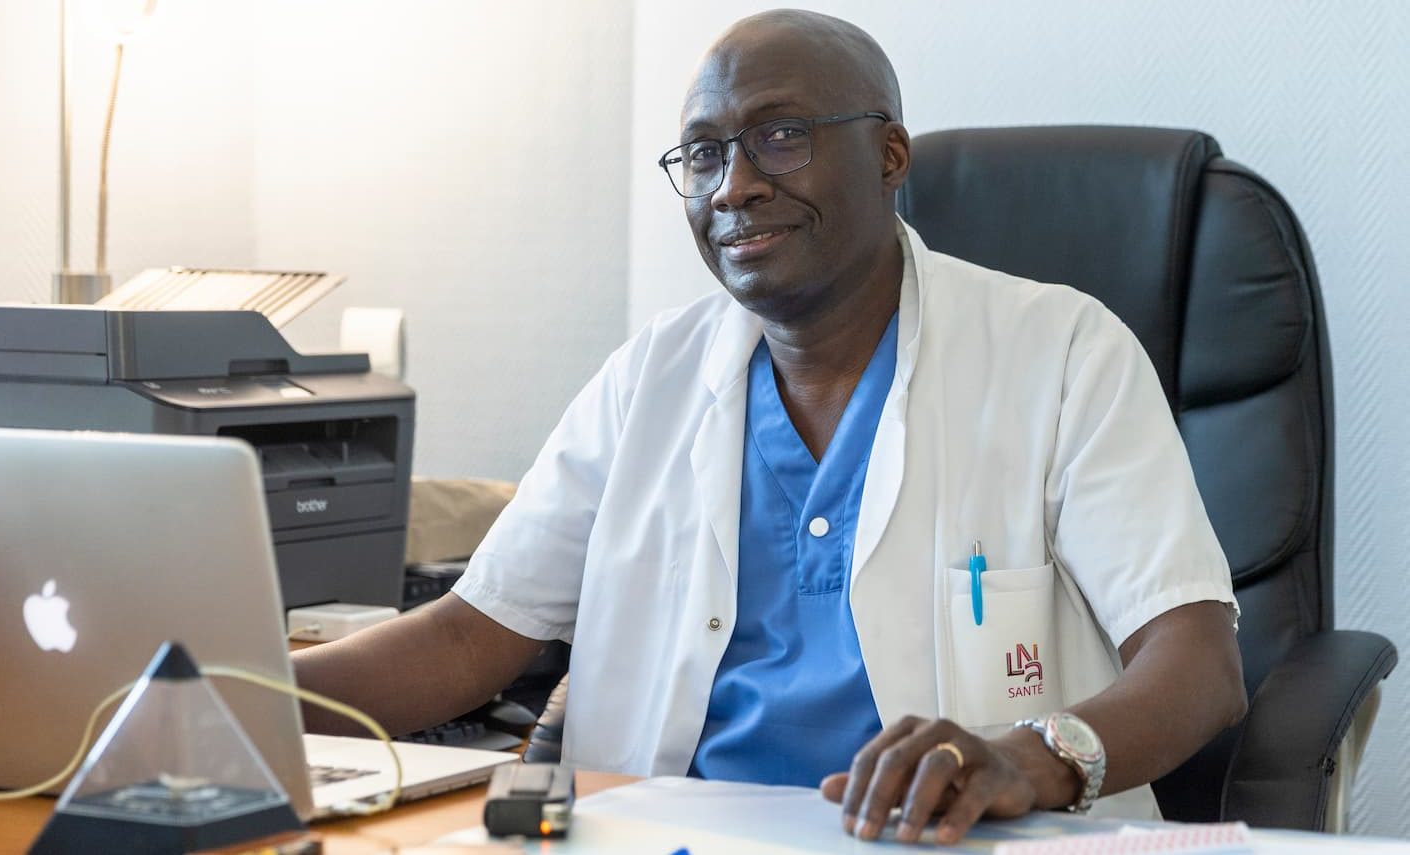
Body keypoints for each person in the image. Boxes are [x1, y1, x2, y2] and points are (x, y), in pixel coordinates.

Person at [292, 9, 1246, 844]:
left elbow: (1199, 667)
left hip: (955, 844)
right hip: (665, 837)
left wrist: (1027, 758)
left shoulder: (1062, 351)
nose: (732, 186)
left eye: (781, 136)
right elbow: (469, 636)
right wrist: (235, 693)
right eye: (703, 154)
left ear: (890, 156)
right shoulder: (648, 378)